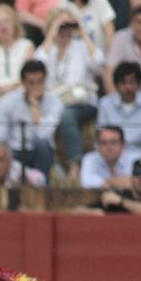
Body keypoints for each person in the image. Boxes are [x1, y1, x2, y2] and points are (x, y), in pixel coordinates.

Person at [31, 12, 104, 167]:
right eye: (61, 27)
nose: (65, 31)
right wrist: (52, 31)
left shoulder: (82, 47)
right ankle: (49, 163)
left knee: (65, 115)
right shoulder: (47, 50)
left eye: (68, 26)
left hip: (81, 102)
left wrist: (82, 31)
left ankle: (74, 164)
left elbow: (98, 63)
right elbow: (36, 66)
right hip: (52, 103)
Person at [96, 60, 141, 171]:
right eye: (123, 83)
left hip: (139, 155)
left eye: (132, 82)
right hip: (111, 155)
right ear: (116, 85)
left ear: (139, 84)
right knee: (90, 160)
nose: (127, 87)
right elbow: (100, 136)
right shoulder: (105, 104)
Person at [79, 123, 133, 188]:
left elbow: (137, 183)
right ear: (98, 146)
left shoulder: (134, 159)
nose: (109, 147)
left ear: (122, 145)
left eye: (113, 142)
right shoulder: (90, 158)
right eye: (104, 143)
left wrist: (106, 183)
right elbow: (85, 181)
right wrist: (114, 182)